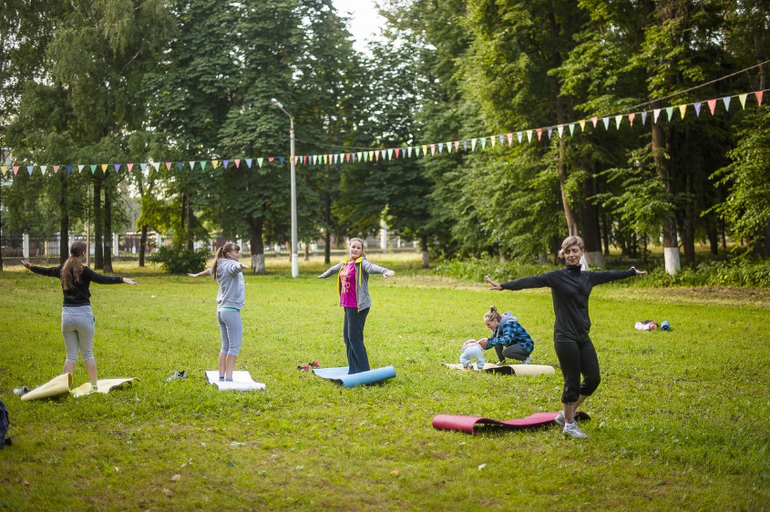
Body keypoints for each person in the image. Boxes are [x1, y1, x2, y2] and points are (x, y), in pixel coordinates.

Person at [484, 235, 646, 439]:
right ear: (563, 254)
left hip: (582, 336)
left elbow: (609, 275)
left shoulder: (587, 277)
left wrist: (630, 272)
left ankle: (564, 414)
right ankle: (569, 424)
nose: (571, 255)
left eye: (575, 251)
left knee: (593, 378)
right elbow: (531, 281)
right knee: (572, 381)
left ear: (581, 252)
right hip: (564, 337)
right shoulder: (556, 277)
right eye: (567, 251)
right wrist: (504, 285)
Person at [22, 241, 138, 390]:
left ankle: (64, 388)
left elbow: (46, 271)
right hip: (83, 315)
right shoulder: (85, 271)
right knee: (88, 354)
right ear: (83, 253)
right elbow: (102, 279)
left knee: (70, 356)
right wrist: (122, 279)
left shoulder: (62, 270)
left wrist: (31, 267)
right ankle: (94, 387)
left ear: (71, 252)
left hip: (67, 317)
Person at [318, 238, 395, 374]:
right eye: (353, 247)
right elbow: (333, 269)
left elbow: (371, 267)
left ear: (361, 251)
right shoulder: (345, 264)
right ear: (349, 248)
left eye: (358, 248)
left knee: (354, 338)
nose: (355, 249)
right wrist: (322, 276)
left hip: (358, 307)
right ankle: (353, 369)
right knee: (347, 338)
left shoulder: (361, 263)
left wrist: (384, 270)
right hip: (348, 306)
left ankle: (364, 370)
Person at [188, 242, 248, 382]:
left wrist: (197, 275)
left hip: (221, 311)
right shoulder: (231, 265)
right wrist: (240, 266)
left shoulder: (219, 264)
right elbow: (234, 268)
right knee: (234, 346)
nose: (238, 254)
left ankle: (221, 375)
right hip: (231, 311)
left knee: (225, 346)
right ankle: (229, 378)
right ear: (229, 254)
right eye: (236, 252)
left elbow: (209, 271)